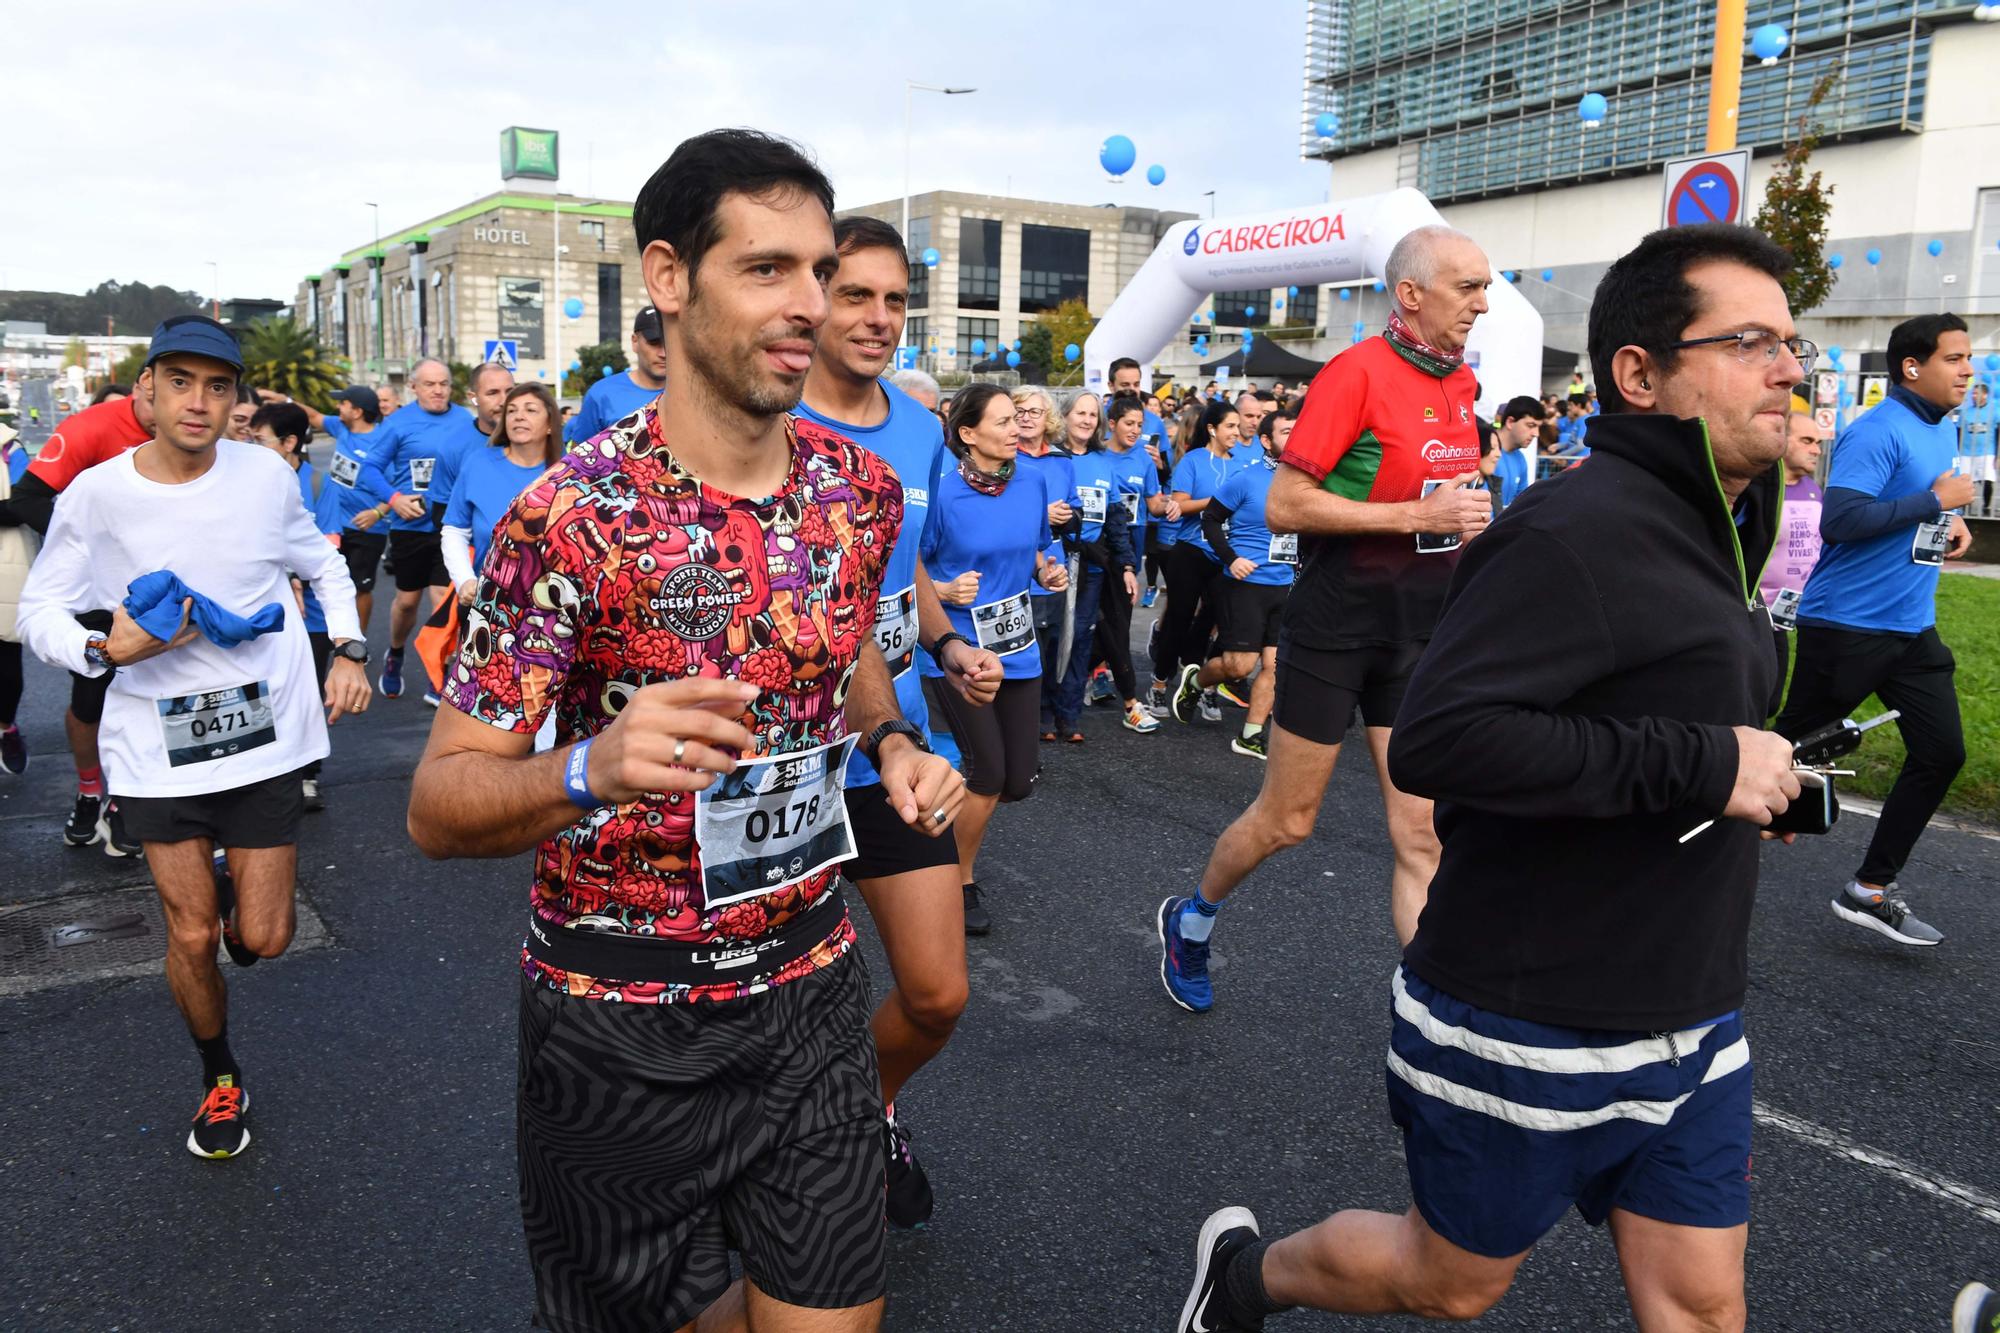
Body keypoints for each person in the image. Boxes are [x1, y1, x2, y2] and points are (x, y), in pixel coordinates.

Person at [1175, 221, 1806, 1333]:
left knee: (1703, 1307)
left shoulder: (1717, 518)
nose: (1790, 368)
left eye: (1789, 343)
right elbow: (1439, 730)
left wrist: (1748, 777)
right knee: (1451, 1282)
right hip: (1521, 992)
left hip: (1690, 1006)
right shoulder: (1554, 515)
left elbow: (1655, 708)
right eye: (1750, 340)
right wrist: (1704, 761)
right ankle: (1244, 1266)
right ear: (1638, 373)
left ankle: (1430, 991)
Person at [408, 129, 965, 1333]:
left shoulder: (857, 492)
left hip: (812, 992)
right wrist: (588, 767)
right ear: (668, 277)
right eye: (768, 269)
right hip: (618, 1019)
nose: (810, 305)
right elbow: (439, 803)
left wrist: (887, 744)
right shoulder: (567, 518)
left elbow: (848, 645)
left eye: (821, 271)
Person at [18, 315, 371, 1161]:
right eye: (180, 380)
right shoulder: (97, 495)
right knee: (188, 935)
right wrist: (104, 648)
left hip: (265, 737)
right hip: (154, 748)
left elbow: (320, 562)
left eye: (218, 386)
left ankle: (234, 899)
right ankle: (219, 1074)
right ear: (145, 389)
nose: (199, 400)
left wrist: (349, 645)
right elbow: (38, 609)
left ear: (237, 400)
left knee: (266, 937)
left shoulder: (263, 477)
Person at [1156, 225, 1494, 1017]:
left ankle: (1432, 1009)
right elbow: (1284, 504)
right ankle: (1192, 920)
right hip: (1337, 624)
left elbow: (1454, 496)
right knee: (1288, 821)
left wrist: (1470, 527)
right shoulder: (1355, 374)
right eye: (1468, 287)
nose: (1483, 303)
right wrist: (1419, 512)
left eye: (1485, 286)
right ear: (1411, 293)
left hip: (1420, 629)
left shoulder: (1462, 384)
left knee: (1423, 832)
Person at [797, 212, 1003, 1223]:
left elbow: (905, 566)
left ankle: (865, 1106)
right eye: (855, 295)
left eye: (893, 300)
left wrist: (948, 642)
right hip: (776, 764)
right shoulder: (770, 419)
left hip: (891, 751)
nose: (877, 318)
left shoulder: (919, 429)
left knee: (936, 994)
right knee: (774, 1012)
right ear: (814, 295)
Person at [1776, 312, 1974, 947]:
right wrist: (1934, 504)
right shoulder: (1878, 430)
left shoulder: (1938, 431)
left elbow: (1913, 512)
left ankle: (1870, 889)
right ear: (1912, 367)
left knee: (1943, 752)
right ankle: (1663, 843)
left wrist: (1946, 528)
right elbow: (1843, 520)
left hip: (1911, 629)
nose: (1968, 370)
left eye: (1969, 358)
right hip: (1848, 626)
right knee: (1781, 754)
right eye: (1955, 358)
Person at [923, 383, 1067, 939]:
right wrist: (943, 589)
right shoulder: (942, 494)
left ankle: (929, 814)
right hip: (960, 652)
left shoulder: (1032, 480)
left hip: (1019, 649)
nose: (1019, 428)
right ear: (968, 434)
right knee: (987, 771)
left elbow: (1036, 549)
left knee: (1019, 781)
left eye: (1019, 420)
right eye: (1005, 421)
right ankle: (955, 881)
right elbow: (910, 567)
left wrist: (1046, 571)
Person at [0, 379, 157, 854]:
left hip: (161, 590)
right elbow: (26, 499)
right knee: (90, 700)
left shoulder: (195, 429)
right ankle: (91, 789)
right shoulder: (89, 428)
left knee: (158, 694)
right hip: (97, 593)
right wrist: (94, 542)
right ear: (143, 384)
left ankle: (127, 801)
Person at [1181, 405, 1296, 761]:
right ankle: (1197, 681)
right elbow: (1211, 520)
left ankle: (1251, 733)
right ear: (1265, 440)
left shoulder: (1305, 480)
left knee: (1275, 667)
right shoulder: (1246, 478)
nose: (1295, 439)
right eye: (1286, 433)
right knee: (1239, 667)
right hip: (1246, 584)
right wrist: (1232, 558)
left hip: (1286, 584)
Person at [246, 401, 342, 813]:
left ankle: (307, 775)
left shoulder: (320, 484)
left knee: (307, 691)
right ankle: (260, 771)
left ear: (289, 443)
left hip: (313, 614)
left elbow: (331, 545)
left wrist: (296, 575)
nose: (251, 447)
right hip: (260, 611)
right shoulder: (244, 482)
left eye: (259, 440)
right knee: (260, 690)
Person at [364, 358, 475, 699]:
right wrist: (394, 499)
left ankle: (438, 667)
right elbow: (369, 469)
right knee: (407, 603)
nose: (439, 390)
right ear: (413, 387)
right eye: (430, 384)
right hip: (410, 524)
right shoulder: (398, 423)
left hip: (452, 524)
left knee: (444, 599)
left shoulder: (465, 420)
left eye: (444, 383)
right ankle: (396, 652)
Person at [1054, 392, 1152, 740]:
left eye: (1092, 415)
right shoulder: (1051, 458)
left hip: (1093, 566)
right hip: (1052, 562)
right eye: (1079, 412)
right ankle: (1041, 714)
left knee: (1080, 638)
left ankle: (1068, 717)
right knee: (1050, 636)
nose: (1085, 420)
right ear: (1064, 416)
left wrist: (1127, 565)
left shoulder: (1102, 463)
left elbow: (1115, 521)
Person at [1150, 399, 1244, 722]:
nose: (1236, 431)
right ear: (1211, 429)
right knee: (1178, 617)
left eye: (1237, 426)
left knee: (1223, 623)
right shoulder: (1193, 460)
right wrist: (1220, 502)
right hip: (1190, 550)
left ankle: (1205, 687)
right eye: (1230, 426)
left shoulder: (1241, 465)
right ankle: (1160, 684)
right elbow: (1180, 505)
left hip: (1225, 554)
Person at [441, 383, 564, 603]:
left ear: (550, 425)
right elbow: (454, 530)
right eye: (512, 410)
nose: (519, 416)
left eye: (530, 410)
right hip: (487, 601)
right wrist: (465, 580)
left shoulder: (568, 474)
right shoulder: (478, 463)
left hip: (552, 606)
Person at [1011, 385, 1085, 743]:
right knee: (1027, 645)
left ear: (1048, 420)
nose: (1026, 417)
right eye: (1019, 410)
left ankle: (1058, 713)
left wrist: (1068, 516)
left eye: (1033, 412)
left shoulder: (1062, 461)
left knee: (1057, 643)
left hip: (1053, 566)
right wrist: (1042, 515)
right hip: (1015, 568)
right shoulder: (1004, 456)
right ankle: (1033, 718)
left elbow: (1074, 510)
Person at [296, 386, 393, 633]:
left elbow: (397, 489)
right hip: (334, 526)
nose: (339, 407)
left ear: (357, 411)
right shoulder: (342, 428)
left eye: (344, 403)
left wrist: (377, 513)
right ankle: (330, 634)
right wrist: (281, 400)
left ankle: (357, 642)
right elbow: (313, 416)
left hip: (368, 529)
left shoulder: (384, 441)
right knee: (328, 582)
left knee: (361, 588)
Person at [1758, 409, 1826, 630]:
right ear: (1780, 437)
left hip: (1794, 612)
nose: (1816, 450)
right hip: (1753, 614)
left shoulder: (1814, 490)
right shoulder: (1757, 490)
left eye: (1818, 443)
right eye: (1807, 441)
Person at [565, 306, 669, 442]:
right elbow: (580, 458)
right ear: (635, 341)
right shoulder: (601, 394)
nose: (663, 353)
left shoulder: (694, 393)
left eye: (669, 343)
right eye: (654, 343)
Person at [1493, 395, 1542, 509]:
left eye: (1538, 427)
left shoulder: (1521, 459)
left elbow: (1521, 503)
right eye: (1531, 425)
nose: (1536, 433)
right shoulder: (1482, 450)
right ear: (1510, 422)